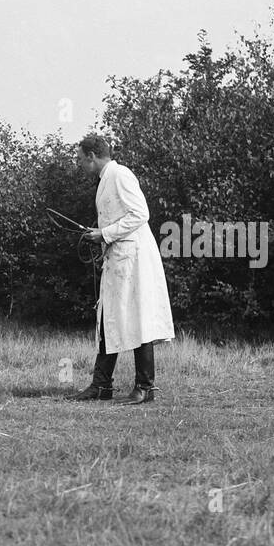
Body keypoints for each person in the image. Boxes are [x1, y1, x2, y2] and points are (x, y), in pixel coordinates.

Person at [68, 135, 174, 404]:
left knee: (138, 319)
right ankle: (101, 385)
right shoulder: (106, 179)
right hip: (119, 259)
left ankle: (146, 386)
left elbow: (140, 214)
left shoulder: (120, 174)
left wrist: (105, 233)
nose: (79, 164)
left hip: (133, 259)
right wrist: (101, 235)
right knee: (109, 319)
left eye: (81, 159)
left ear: (92, 156)